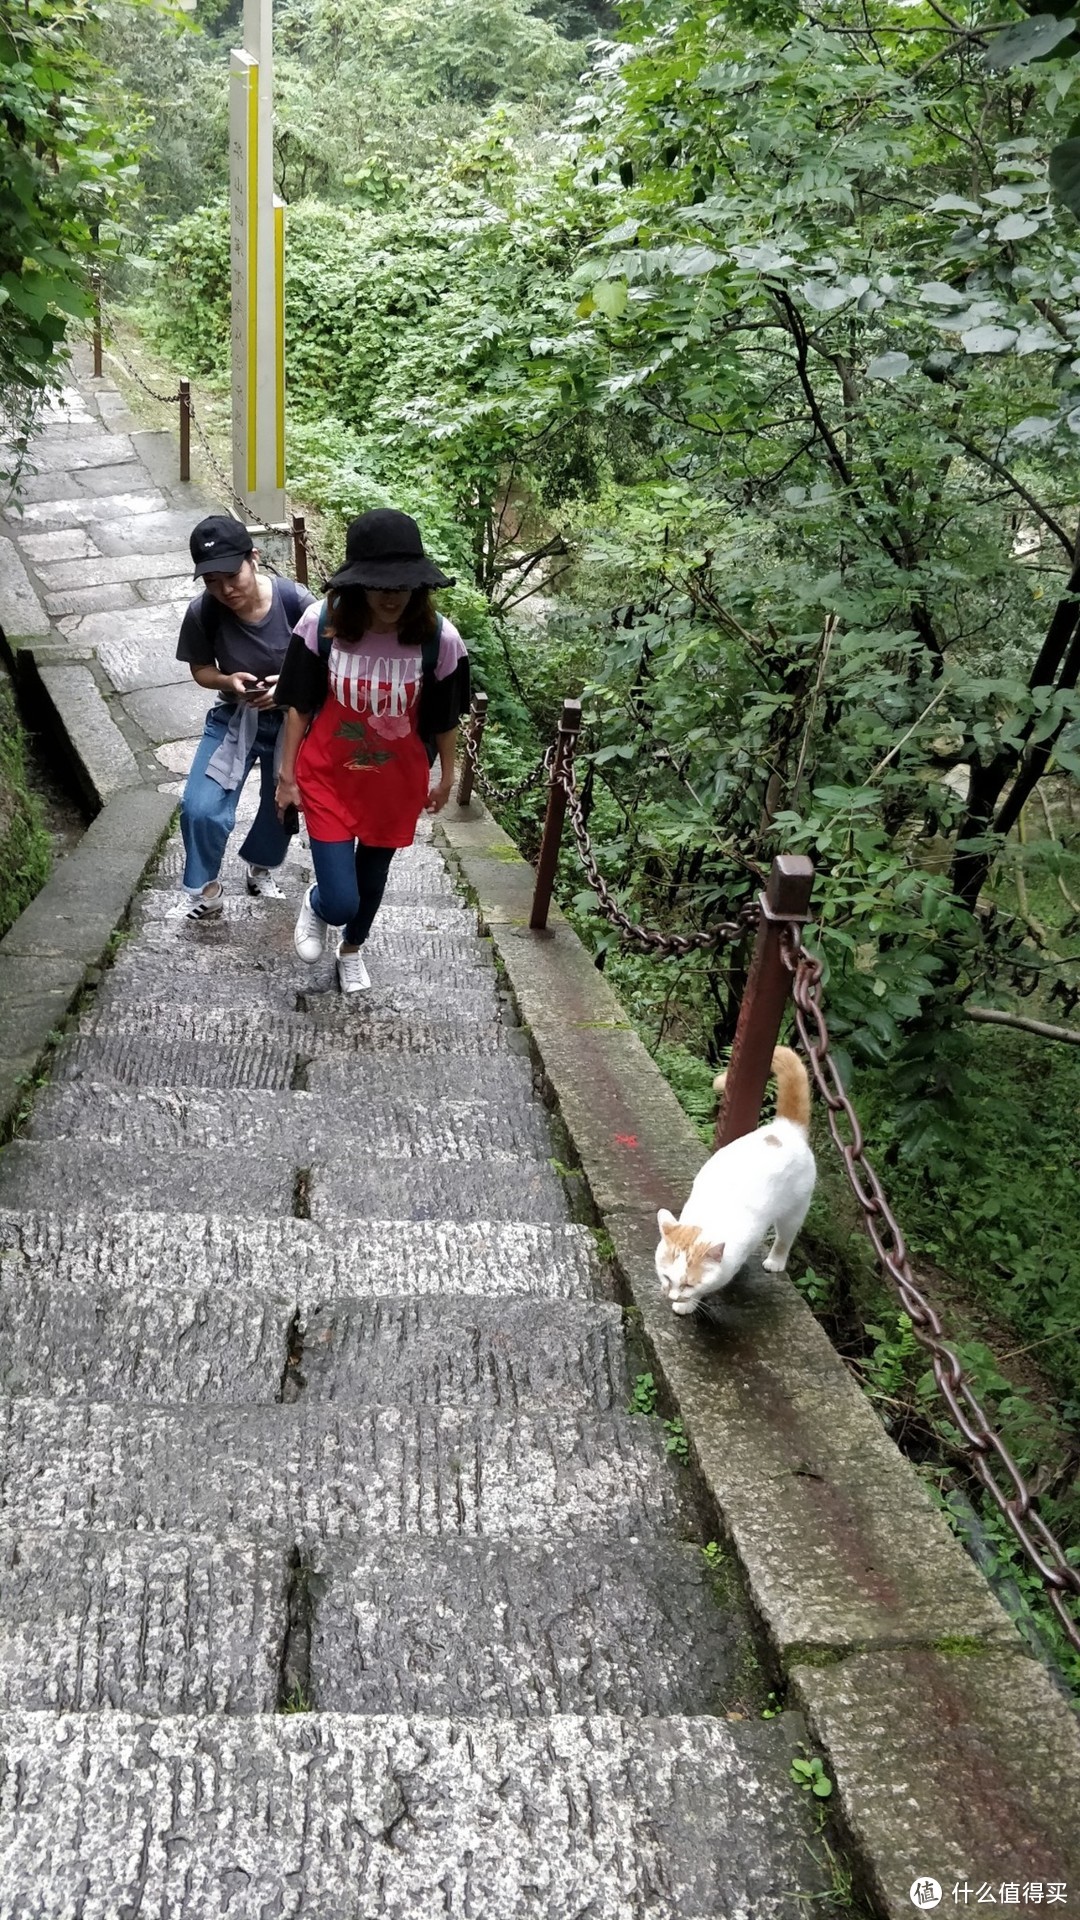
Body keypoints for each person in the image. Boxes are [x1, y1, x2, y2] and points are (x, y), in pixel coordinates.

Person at [274, 508, 469, 992]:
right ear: (358, 583)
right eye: (381, 585)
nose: (392, 596)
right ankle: (320, 905)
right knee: (343, 898)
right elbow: (298, 704)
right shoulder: (322, 624)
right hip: (328, 775)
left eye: (403, 586)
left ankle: (352, 949)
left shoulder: (439, 640)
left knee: (374, 875)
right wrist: (287, 775)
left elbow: (444, 719)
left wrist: (446, 777)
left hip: (394, 782)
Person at [174, 514, 314, 920]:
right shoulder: (205, 612)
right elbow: (200, 669)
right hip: (235, 718)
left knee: (282, 802)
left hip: (292, 720)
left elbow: (325, 666)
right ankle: (206, 887)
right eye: (212, 581)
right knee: (200, 805)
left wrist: (285, 688)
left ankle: (261, 867)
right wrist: (227, 679)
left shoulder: (296, 604)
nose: (225, 589)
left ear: (254, 558)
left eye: (232, 575)